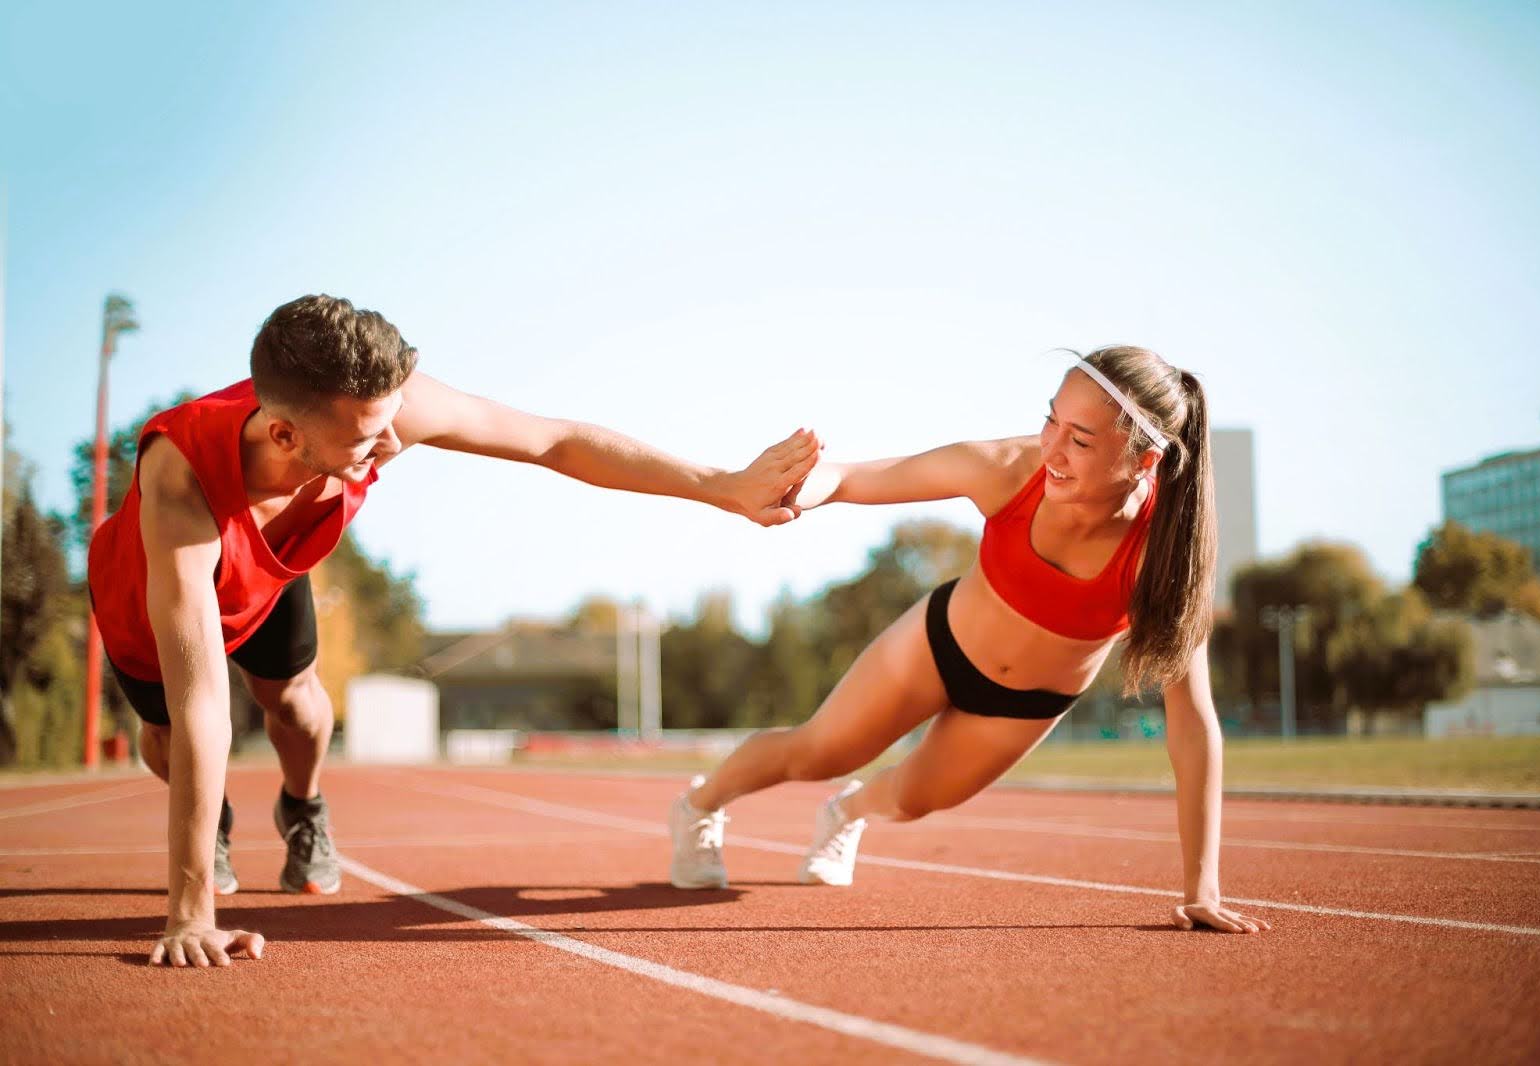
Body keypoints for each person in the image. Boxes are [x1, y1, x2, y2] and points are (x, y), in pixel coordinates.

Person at [88, 294, 821, 967]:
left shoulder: (385, 411)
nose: (392, 448)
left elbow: (554, 441)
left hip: (270, 571)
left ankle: (302, 809)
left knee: (300, 708)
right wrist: (191, 916)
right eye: (368, 441)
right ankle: (210, 821)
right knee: (173, 739)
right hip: (152, 590)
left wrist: (720, 486)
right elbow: (202, 703)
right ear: (283, 433)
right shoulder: (180, 483)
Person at [667, 345, 1269, 935]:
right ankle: (699, 806)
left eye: (1081, 440)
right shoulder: (1008, 468)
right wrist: (798, 491)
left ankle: (845, 813)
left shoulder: (1162, 555)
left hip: (1026, 705)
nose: (1052, 449)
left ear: (1143, 462)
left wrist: (1202, 890)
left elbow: (1191, 720)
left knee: (911, 801)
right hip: (937, 645)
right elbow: (852, 477)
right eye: (1050, 419)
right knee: (820, 751)